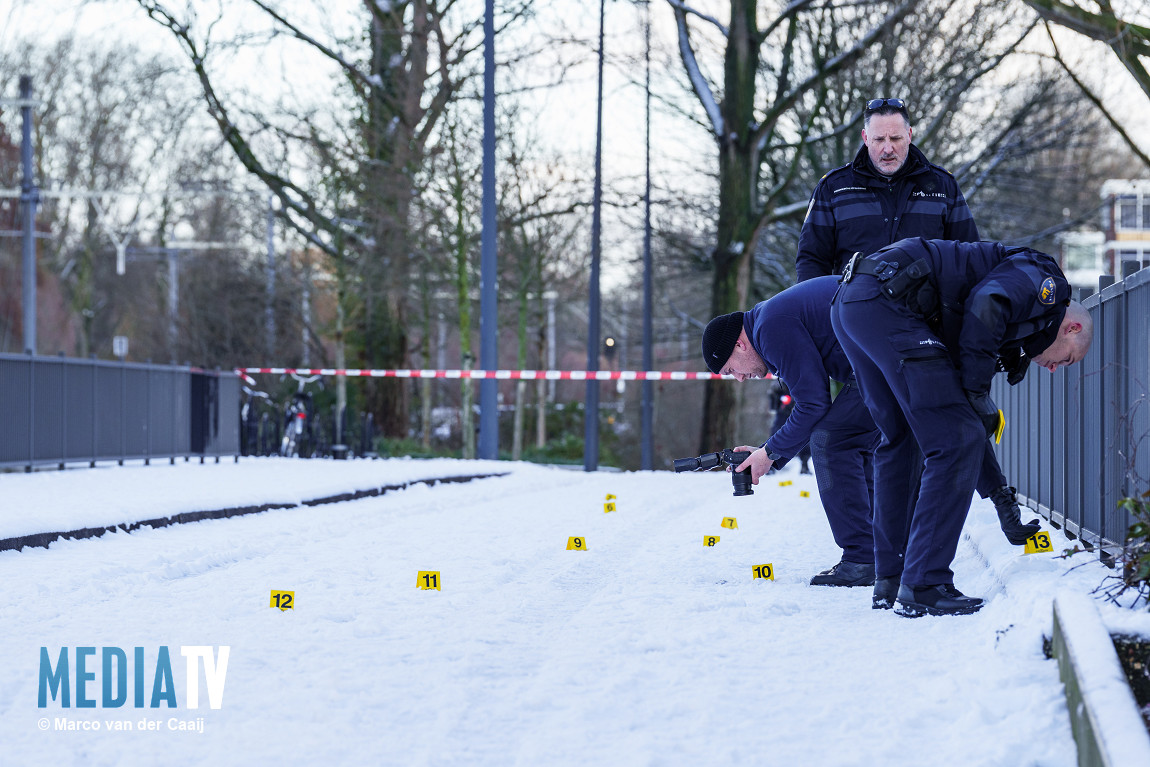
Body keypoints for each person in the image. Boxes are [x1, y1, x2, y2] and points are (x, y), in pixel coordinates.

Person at [795, 96, 1039, 546]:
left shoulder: (941, 187)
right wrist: (832, 328)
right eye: (879, 139)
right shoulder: (835, 188)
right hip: (861, 333)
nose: (888, 148)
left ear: (911, 136)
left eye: (896, 137)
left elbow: (972, 261)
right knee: (873, 438)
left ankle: (998, 508)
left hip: (927, 333)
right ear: (864, 138)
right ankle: (876, 553)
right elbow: (810, 261)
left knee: (951, 421)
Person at [830, 237, 1093, 617]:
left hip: (856, 301)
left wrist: (1002, 501)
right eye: (1065, 361)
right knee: (954, 443)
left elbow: (964, 417)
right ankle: (924, 583)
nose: (1053, 369)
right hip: (889, 300)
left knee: (903, 439)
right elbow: (989, 301)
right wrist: (977, 390)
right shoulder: (1046, 282)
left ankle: (892, 578)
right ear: (1070, 328)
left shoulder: (1004, 325)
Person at [702, 276, 881, 588]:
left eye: (731, 370)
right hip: (881, 356)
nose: (740, 379)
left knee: (832, 441)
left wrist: (769, 454)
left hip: (884, 356)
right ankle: (881, 549)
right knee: (848, 438)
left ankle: (864, 558)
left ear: (739, 345)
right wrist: (766, 451)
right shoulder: (769, 322)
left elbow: (813, 404)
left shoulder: (771, 328)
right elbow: (812, 403)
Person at [768, 380, 812, 475]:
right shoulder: (779, 382)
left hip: (800, 411)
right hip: (783, 412)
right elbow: (773, 401)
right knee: (776, 435)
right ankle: (770, 465)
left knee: (805, 436)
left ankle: (805, 464)